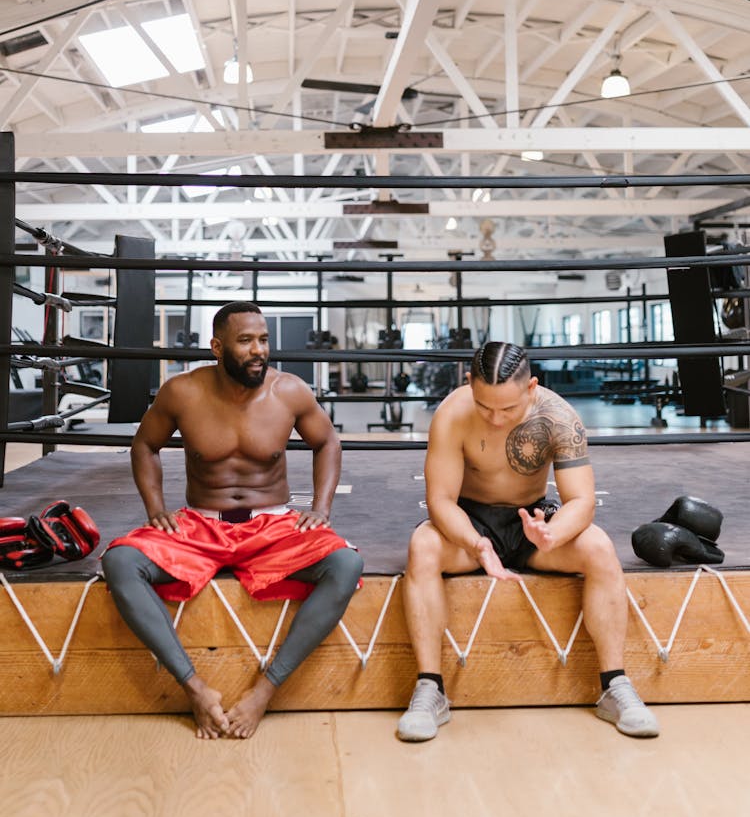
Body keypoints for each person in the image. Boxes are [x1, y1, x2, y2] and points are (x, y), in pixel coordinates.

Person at [102, 301, 363, 740]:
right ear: (217, 347)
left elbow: (328, 443)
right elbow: (145, 445)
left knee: (346, 564)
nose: (259, 350)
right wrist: (155, 510)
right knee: (121, 562)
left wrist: (321, 507)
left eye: (263, 340)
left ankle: (265, 691)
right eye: (245, 341)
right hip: (200, 525)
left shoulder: (290, 391)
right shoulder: (182, 392)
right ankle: (195, 689)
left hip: (271, 525)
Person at [397, 341, 659, 742]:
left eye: (509, 408)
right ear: (469, 384)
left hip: (531, 521)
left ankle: (615, 685)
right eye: (486, 407)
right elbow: (440, 501)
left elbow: (582, 501)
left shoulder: (559, 417)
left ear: (532, 388)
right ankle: (430, 689)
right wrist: (477, 543)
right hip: (471, 521)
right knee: (423, 546)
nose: (497, 418)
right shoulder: (452, 413)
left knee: (600, 547)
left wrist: (552, 533)